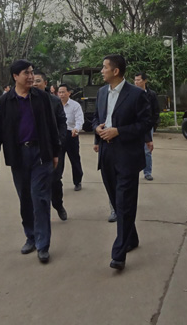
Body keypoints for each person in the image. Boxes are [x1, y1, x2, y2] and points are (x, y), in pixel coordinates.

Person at [0, 60, 62, 264]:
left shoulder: (42, 98)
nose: (30, 77)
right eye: (26, 73)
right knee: (26, 199)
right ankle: (31, 237)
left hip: (41, 154)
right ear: (15, 76)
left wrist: (55, 152)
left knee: (40, 198)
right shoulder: (4, 102)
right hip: (18, 155)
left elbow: (52, 126)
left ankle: (43, 244)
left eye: (31, 73)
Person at [93, 54, 152, 270]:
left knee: (125, 202)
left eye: (104, 67)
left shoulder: (136, 94)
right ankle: (131, 238)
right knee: (116, 200)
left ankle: (119, 253)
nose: (102, 71)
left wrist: (119, 131)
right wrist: (97, 129)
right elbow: (96, 117)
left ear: (116, 71)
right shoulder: (101, 92)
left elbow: (146, 123)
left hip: (127, 155)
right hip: (107, 153)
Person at [34, 72, 68, 220]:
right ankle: (41, 213)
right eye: (33, 81)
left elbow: (62, 123)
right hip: (35, 148)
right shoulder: (26, 100)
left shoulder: (54, 101)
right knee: (37, 183)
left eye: (38, 81)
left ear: (45, 83)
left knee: (55, 179)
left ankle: (58, 205)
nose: (34, 84)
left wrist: (59, 142)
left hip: (53, 147)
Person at [57, 84, 84, 191]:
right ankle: (57, 182)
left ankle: (77, 181)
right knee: (59, 160)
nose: (61, 94)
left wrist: (76, 129)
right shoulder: (55, 104)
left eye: (63, 92)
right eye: (59, 92)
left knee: (75, 159)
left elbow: (79, 119)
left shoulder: (75, 105)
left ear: (69, 93)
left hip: (71, 135)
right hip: (59, 135)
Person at [134, 72, 160, 181]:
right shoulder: (132, 94)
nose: (136, 82)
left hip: (147, 126)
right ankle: (133, 171)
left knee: (147, 150)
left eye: (138, 80)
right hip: (134, 126)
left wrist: (152, 124)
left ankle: (147, 172)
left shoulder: (151, 94)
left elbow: (156, 111)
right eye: (135, 80)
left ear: (145, 81)